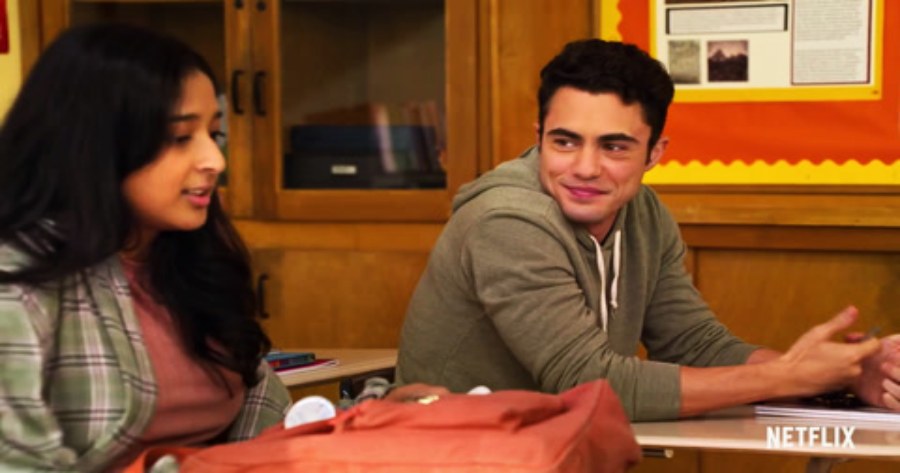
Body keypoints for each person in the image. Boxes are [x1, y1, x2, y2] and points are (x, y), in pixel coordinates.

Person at [0, 24, 445, 472]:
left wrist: (372, 417)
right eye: (180, 138)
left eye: (213, 135)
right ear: (95, 143)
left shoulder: (188, 262)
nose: (215, 161)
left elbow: (269, 435)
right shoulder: (19, 284)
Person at [396, 39, 900, 421]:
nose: (585, 168)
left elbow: (694, 343)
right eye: (565, 142)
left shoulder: (644, 213)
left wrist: (844, 372)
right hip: (452, 453)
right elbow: (588, 383)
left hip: (552, 447)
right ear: (539, 136)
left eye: (614, 147)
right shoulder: (505, 221)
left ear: (655, 153)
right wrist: (787, 377)